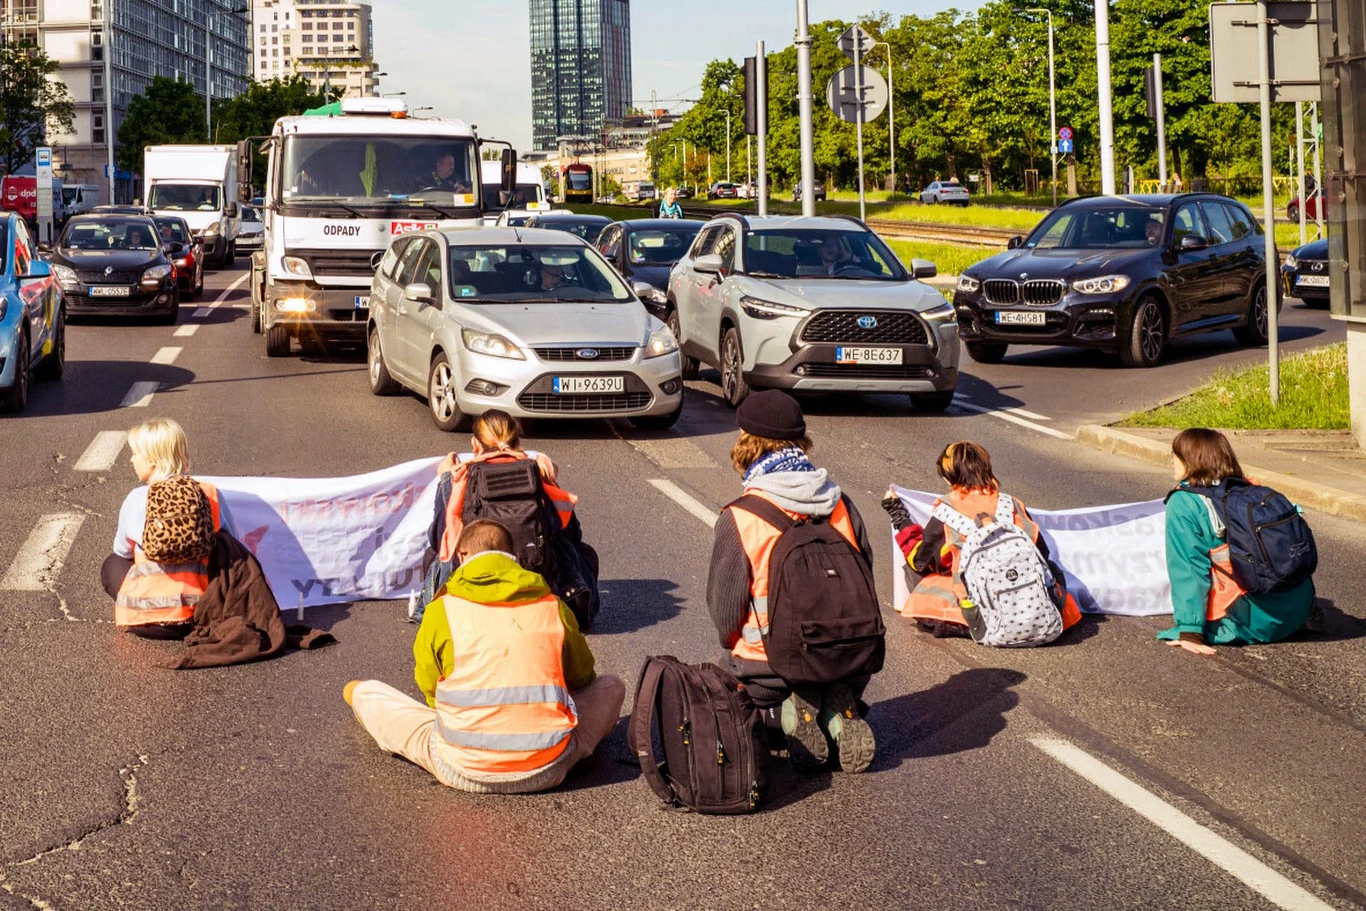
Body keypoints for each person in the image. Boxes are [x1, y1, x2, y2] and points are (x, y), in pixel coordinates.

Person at [345, 519, 625, 794]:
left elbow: (429, 687)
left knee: (368, 693)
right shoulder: (552, 606)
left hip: (460, 766)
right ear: (514, 557)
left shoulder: (441, 610)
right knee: (612, 687)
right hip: (549, 766)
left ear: (460, 556)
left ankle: (357, 694)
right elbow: (582, 677)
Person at [707, 390, 877, 773]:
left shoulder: (742, 516)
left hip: (768, 668)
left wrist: (732, 648)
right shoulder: (841, 504)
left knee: (725, 673)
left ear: (747, 444)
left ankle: (787, 711)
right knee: (829, 673)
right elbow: (865, 572)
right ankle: (837, 706)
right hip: (850, 657)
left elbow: (724, 609)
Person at [884, 441, 1081, 639]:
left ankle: (966, 623)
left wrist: (898, 513)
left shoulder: (947, 511)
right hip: (1030, 600)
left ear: (947, 477)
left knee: (914, 568)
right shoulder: (1012, 504)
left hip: (977, 609)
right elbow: (1042, 554)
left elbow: (920, 559)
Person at [421, 409, 598, 627]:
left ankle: (429, 615)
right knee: (584, 552)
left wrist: (445, 480)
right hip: (538, 591)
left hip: (476, 598)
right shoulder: (538, 473)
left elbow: (439, 541)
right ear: (518, 441)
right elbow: (571, 535)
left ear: (475, 444)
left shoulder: (459, 479)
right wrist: (551, 483)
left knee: (431, 555)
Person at [1160, 429, 1317, 655]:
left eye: (1174, 455)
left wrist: (1190, 630)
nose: (1172, 460)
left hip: (1253, 622)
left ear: (1190, 460)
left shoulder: (1184, 502)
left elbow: (1188, 567)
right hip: (1298, 612)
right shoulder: (1253, 489)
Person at [103, 418, 235, 638]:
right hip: (201, 617)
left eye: (135, 454)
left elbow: (122, 551)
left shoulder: (137, 498)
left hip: (147, 621)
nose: (131, 460)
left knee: (111, 562)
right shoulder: (209, 492)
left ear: (152, 460)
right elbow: (233, 543)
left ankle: (139, 603)